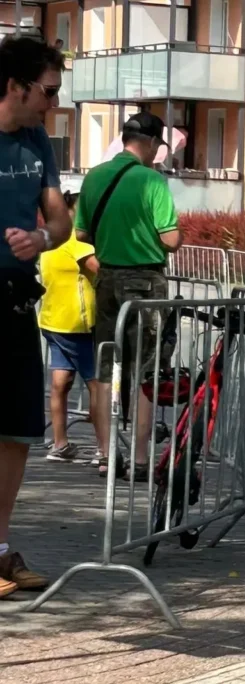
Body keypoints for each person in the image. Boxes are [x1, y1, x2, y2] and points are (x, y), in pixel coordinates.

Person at [0, 35, 72, 598]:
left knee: (18, 431)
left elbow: (61, 222)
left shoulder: (37, 141)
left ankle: (0, 552)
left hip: (18, 299)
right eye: (47, 91)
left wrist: (42, 238)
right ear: (15, 86)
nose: (53, 102)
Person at [75, 111, 182, 482]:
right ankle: (139, 460)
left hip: (105, 279)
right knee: (146, 371)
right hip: (145, 283)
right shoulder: (152, 181)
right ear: (151, 143)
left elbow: (82, 235)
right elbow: (171, 239)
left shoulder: (95, 176)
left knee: (105, 367)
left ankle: (106, 456)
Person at [38, 179, 102, 463]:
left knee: (60, 382)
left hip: (53, 320)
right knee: (97, 385)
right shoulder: (76, 239)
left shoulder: (50, 235)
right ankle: (104, 449)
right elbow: (99, 270)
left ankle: (60, 443)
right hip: (78, 322)